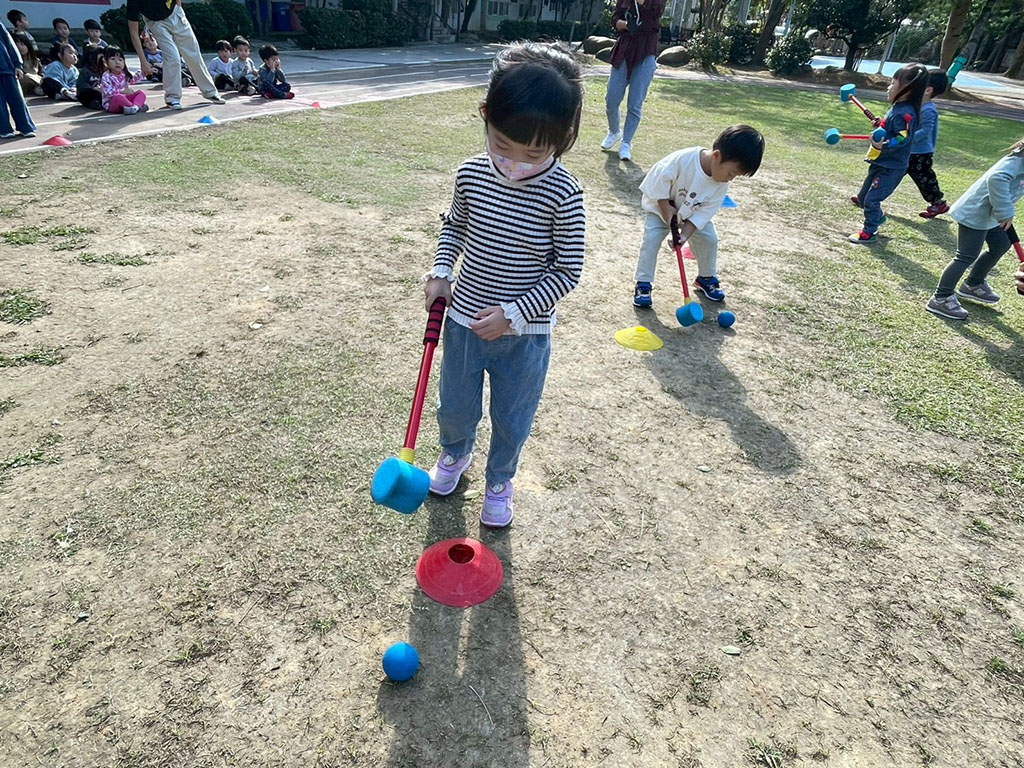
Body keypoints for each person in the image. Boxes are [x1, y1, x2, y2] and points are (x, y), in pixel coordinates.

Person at [423, 42, 585, 528]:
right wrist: (441, 272)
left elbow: (568, 270)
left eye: (534, 151)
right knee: (455, 408)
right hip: (463, 323)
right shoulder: (471, 173)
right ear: (485, 116)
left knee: (513, 418)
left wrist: (513, 314)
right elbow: (454, 227)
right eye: (502, 144)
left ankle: (499, 480)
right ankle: (455, 454)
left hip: (525, 336)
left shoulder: (564, 193)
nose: (515, 162)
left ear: (564, 136)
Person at [631, 125, 764, 307]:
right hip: (661, 208)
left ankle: (705, 278)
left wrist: (684, 235)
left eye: (735, 176)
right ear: (716, 156)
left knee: (709, 239)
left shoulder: (721, 184)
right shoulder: (683, 160)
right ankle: (643, 283)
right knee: (651, 239)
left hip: (691, 213)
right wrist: (665, 208)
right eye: (731, 173)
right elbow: (658, 179)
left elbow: (703, 214)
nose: (730, 179)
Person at [925, 139, 1024, 320]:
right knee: (966, 256)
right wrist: (1005, 211)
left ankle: (973, 284)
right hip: (975, 213)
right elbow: (997, 178)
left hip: (990, 216)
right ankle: (941, 297)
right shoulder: (1019, 159)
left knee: (1001, 244)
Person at [848, 63, 928, 244]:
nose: (889, 87)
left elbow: (903, 137)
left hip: (891, 167)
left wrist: (882, 144)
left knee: (871, 200)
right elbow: (891, 128)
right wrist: (881, 124)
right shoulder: (897, 108)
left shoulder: (906, 113)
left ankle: (869, 232)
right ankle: (878, 217)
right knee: (863, 198)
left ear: (907, 88)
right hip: (880, 162)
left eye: (893, 83)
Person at [126, 0, 224, 110]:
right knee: (172, 57)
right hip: (155, 22)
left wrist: (179, 10)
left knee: (193, 53)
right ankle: (172, 97)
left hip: (175, 13)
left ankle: (210, 92)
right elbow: (133, 33)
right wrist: (143, 61)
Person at [601, 0, 665, 162]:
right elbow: (615, 18)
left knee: (634, 104)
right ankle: (614, 131)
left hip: (646, 51)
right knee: (611, 99)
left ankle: (626, 143)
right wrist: (622, 24)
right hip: (624, 49)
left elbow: (656, 11)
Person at [908, 68, 950, 219]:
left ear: (927, 90)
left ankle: (938, 203)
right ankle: (869, 196)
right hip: (908, 150)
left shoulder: (928, 110)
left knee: (925, 179)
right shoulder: (914, 105)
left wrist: (908, 138)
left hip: (920, 153)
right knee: (890, 173)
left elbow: (925, 131)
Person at [0, 24, 35, 139]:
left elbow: (9, 43)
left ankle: (26, 127)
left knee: (17, 99)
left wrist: (17, 65)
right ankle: (4, 129)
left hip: (7, 68)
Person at [100, 46, 148, 114]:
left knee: (141, 93)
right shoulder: (106, 75)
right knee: (118, 97)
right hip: (112, 103)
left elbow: (133, 79)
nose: (117, 62)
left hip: (126, 100)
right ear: (106, 61)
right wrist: (122, 91)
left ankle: (134, 108)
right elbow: (108, 92)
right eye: (113, 59)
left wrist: (144, 73)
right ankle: (135, 107)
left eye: (120, 60)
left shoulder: (124, 74)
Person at [11, 32, 42, 96]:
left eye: (22, 44)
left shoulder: (35, 60)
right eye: (17, 46)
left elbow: (41, 74)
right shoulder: (12, 61)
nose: (20, 48)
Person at [76, 45, 104, 109]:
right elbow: (81, 84)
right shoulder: (85, 71)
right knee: (92, 94)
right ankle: (94, 103)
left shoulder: (103, 70)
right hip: (87, 93)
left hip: (101, 91)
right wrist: (93, 88)